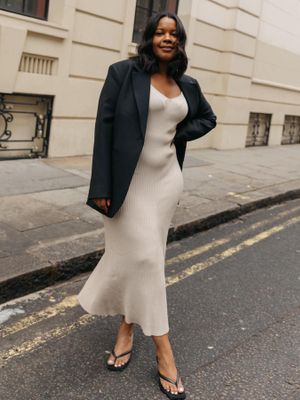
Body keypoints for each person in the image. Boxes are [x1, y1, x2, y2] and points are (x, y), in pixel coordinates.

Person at [77, 11, 217, 400]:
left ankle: (126, 327)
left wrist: (175, 134)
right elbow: (103, 129)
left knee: (147, 259)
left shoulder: (186, 83)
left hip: (166, 183)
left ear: (180, 40)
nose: (167, 38)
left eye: (174, 33)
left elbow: (208, 118)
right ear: (150, 37)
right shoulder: (123, 74)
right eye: (160, 32)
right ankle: (164, 352)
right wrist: (101, 185)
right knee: (146, 261)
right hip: (127, 183)